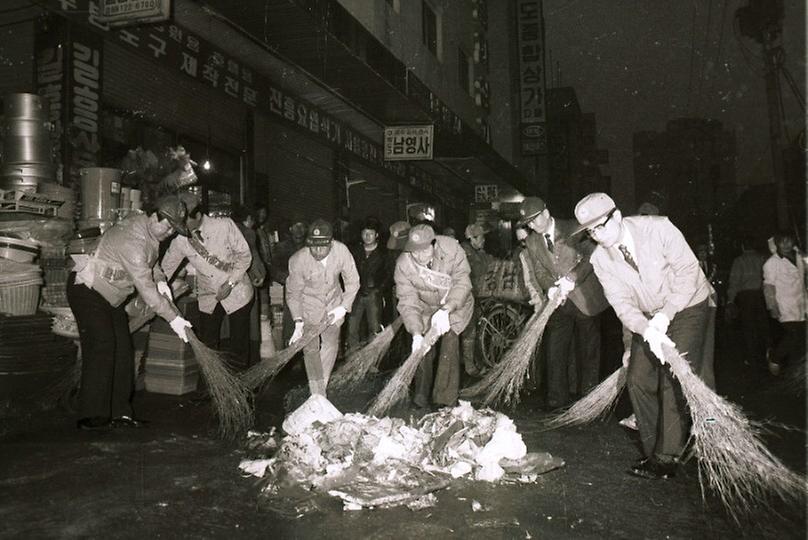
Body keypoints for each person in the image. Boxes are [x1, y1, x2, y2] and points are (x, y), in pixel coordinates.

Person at [574, 192, 713, 479]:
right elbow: (622, 303)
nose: (598, 236)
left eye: (601, 227)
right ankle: (654, 452)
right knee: (637, 377)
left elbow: (689, 272)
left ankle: (667, 456)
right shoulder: (601, 259)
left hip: (688, 305)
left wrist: (666, 315)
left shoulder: (658, 228)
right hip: (648, 317)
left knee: (672, 378)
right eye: (591, 232)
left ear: (617, 215)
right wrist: (645, 328)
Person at [67, 195, 193, 430]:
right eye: (168, 227)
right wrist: (174, 318)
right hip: (87, 289)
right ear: (155, 216)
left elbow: (152, 265)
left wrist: (162, 281)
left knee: (124, 350)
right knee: (103, 345)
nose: (170, 233)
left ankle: (120, 414)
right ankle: (92, 416)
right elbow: (146, 289)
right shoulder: (133, 238)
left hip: (110, 297)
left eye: (174, 230)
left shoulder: (151, 233)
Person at [517, 196, 609, 409]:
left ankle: (588, 401)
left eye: (534, 220)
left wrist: (572, 278)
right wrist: (550, 287)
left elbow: (592, 256)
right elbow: (539, 270)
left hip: (585, 297)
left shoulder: (573, 228)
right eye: (528, 223)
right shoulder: (532, 241)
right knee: (555, 348)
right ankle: (556, 399)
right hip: (559, 300)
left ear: (546, 214)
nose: (532, 225)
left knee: (588, 349)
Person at [161, 194, 254, 369]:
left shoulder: (224, 226)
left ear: (198, 215)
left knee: (238, 345)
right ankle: (209, 390)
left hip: (237, 290)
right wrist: (155, 287)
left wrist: (230, 284)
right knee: (208, 344)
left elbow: (245, 257)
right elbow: (165, 268)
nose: (180, 228)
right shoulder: (181, 239)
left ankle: (241, 389)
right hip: (209, 295)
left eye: (184, 222)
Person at [395, 224, 473, 409]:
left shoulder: (452, 250)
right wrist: (415, 332)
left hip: (455, 303)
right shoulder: (404, 264)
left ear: (434, 244)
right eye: (415, 252)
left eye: (424, 251)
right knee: (422, 347)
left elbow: (462, 282)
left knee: (449, 341)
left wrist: (447, 309)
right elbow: (407, 300)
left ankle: (444, 399)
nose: (419, 257)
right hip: (426, 307)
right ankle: (421, 395)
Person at [286, 219, 360, 396]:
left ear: (331, 243)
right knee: (311, 350)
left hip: (334, 305)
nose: (317, 251)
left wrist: (343, 307)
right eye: (313, 247)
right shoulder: (298, 260)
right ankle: (317, 393)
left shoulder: (341, 251)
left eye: (322, 247)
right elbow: (293, 294)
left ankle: (321, 387)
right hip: (309, 308)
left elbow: (353, 281)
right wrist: (298, 322)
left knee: (330, 344)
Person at [762, 232, 806, 375]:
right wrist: (772, 307)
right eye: (783, 242)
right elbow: (768, 286)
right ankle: (775, 356)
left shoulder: (799, 257)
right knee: (793, 335)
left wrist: (802, 254)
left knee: (799, 339)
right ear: (777, 244)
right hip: (784, 304)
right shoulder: (772, 263)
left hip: (801, 304)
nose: (786, 245)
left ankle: (795, 371)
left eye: (789, 241)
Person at [726, 238, 769, 369]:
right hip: (761, 296)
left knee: (749, 328)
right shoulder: (762, 258)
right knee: (763, 326)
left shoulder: (739, 261)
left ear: (743, 247)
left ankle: (752, 359)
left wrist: (730, 300)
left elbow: (734, 282)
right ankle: (768, 355)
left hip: (745, 298)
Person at [460, 223, 496, 376]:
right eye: (482, 238)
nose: (484, 241)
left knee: (476, 329)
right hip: (467, 297)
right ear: (473, 239)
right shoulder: (466, 253)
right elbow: (479, 270)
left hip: (477, 295)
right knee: (470, 331)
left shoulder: (477, 251)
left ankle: (475, 361)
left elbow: (490, 261)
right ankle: (469, 366)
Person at [347, 220, 388, 349]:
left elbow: (389, 275)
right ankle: (352, 361)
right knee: (352, 328)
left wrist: (378, 289)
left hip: (374, 295)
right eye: (364, 233)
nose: (367, 236)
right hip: (356, 295)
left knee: (375, 329)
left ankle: (372, 363)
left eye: (371, 233)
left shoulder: (383, 254)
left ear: (376, 235)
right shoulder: (354, 252)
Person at [270, 221, 308, 344]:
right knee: (290, 326)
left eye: (302, 226)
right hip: (291, 294)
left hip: (310, 293)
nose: (299, 230)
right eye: (296, 226)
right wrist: (288, 279)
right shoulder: (282, 247)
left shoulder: (311, 247)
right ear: (290, 228)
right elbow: (274, 270)